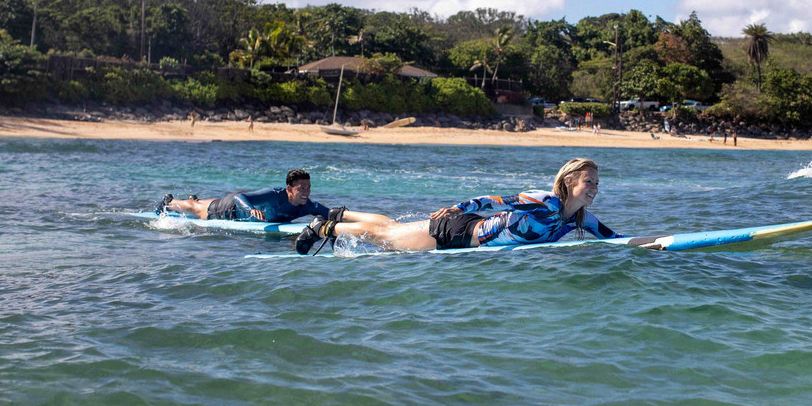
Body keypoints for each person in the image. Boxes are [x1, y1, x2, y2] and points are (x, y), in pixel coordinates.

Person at [295, 157, 620, 255]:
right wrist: (456, 206)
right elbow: (496, 200)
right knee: (385, 237)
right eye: (588, 181)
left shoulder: (581, 218)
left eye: (596, 183)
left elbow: (614, 238)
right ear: (568, 182)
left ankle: (342, 212)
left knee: (392, 227)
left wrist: (657, 245)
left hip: (471, 233)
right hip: (458, 230)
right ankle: (324, 226)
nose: (593, 188)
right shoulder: (545, 202)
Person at [158, 168, 344, 223]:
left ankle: (193, 198)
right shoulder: (274, 195)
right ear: (289, 189)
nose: (306, 192)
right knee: (199, 211)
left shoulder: (308, 205)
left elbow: (328, 213)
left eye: (308, 187)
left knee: (204, 203)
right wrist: (252, 209)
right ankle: (169, 202)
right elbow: (240, 200)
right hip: (234, 207)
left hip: (246, 199)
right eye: (301, 188)